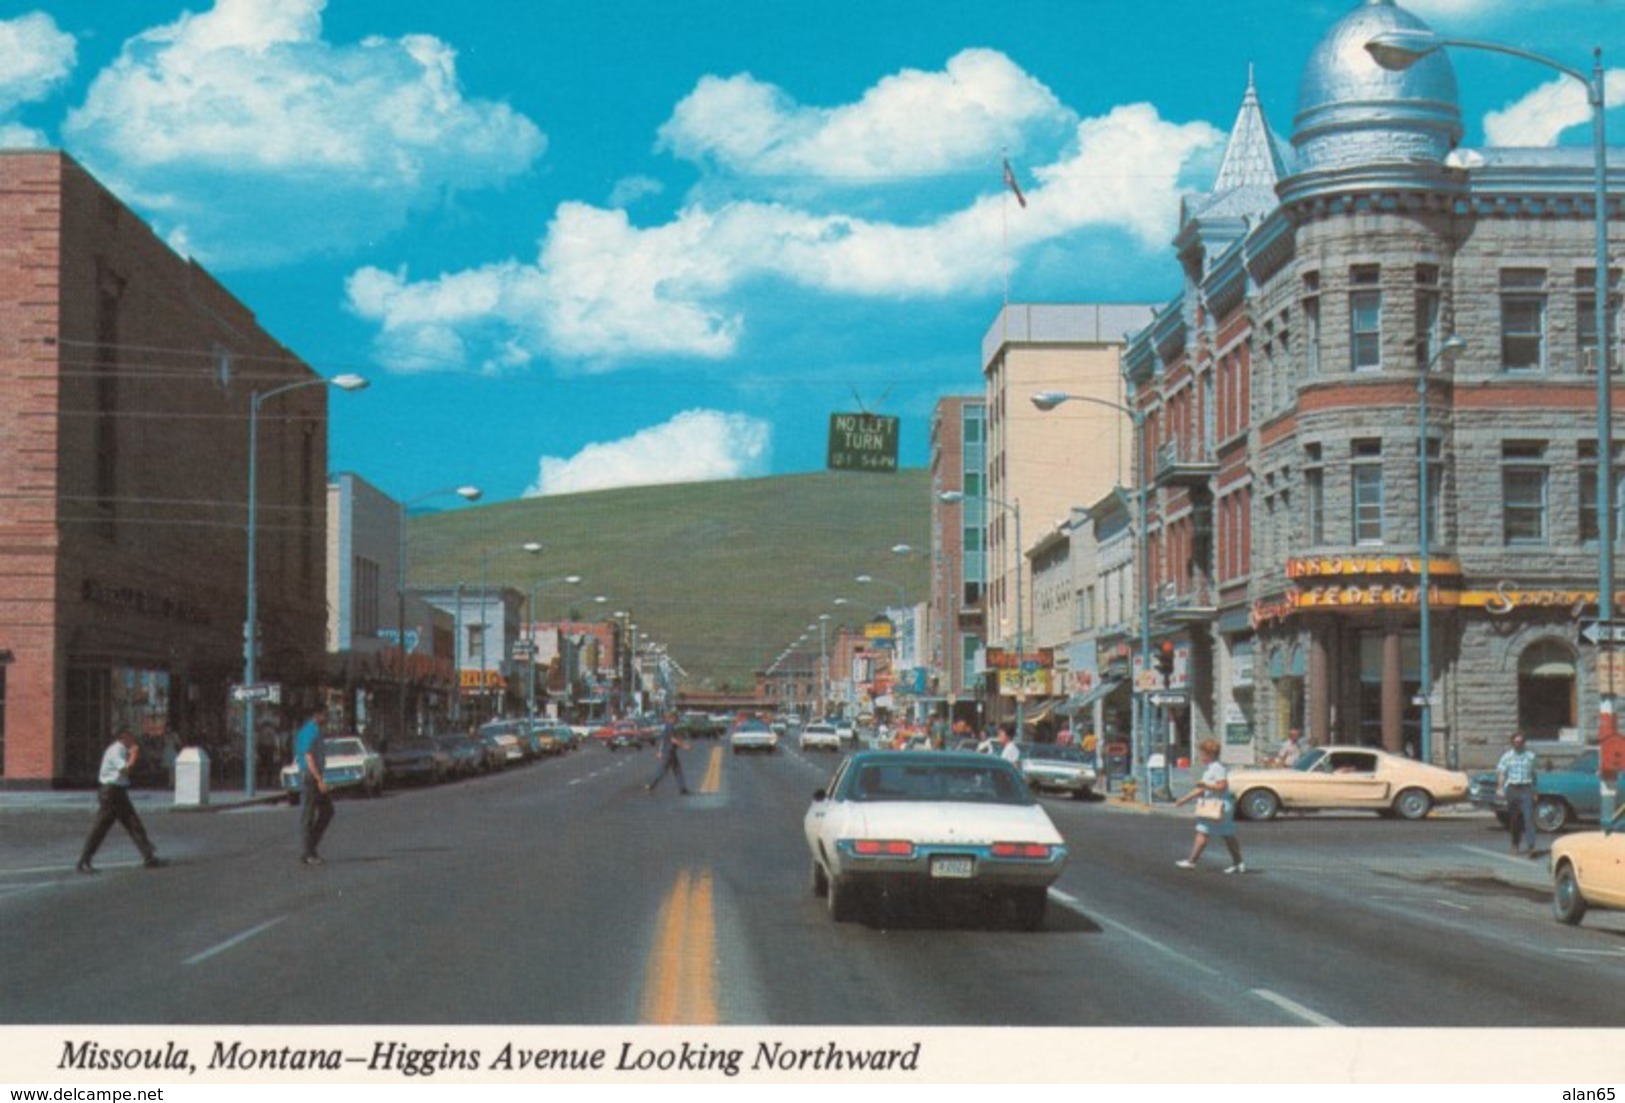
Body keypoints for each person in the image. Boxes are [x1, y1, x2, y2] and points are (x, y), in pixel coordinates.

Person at [77, 728, 165, 874]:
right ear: (124, 737)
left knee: (134, 823)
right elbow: (125, 770)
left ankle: (149, 857)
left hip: (119, 791)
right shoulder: (115, 750)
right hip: (110, 793)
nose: (134, 740)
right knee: (100, 828)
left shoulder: (121, 750)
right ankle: (84, 860)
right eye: (131, 737)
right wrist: (134, 754)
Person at [1172, 739, 1245, 874]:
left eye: (1203, 754)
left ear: (1210, 754)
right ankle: (1238, 862)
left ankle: (1191, 861)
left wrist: (1206, 786)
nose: (1201, 757)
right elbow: (1201, 789)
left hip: (1216, 805)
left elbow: (1222, 786)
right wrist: (1184, 799)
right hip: (1219, 805)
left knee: (1203, 831)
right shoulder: (1212, 768)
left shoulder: (1217, 768)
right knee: (1227, 834)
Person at [295, 707, 335, 866]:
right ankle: (308, 852)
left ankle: (310, 848)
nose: (326, 717)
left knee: (327, 811)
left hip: (315, 776)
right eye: (325, 714)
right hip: (310, 777)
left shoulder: (317, 731)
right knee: (308, 815)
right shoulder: (309, 731)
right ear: (316, 715)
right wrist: (319, 779)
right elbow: (308, 756)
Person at [1496, 731, 1539, 857]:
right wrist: (1500, 788)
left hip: (1526, 788)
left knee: (1529, 817)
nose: (1518, 744)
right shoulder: (1507, 757)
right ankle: (1515, 844)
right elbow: (1501, 773)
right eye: (1516, 742)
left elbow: (1534, 774)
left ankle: (1531, 847)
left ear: (1524, 743)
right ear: (1512, 743)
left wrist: (1535, 790)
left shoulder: (1530, 756)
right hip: (1513, 789)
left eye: (1520, 742)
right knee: (1515, 819)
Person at [646, 711, 691, 795]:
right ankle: (650, 784)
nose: (677, 719)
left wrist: (660, 751)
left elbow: (663, 740)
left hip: (669, 752)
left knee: (676, 770)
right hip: (669, 752)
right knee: (663, 770)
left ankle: (682, 789)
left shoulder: (666, 727)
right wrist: (684, 746)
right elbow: (673, 740)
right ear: (671, 718)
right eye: (676, 718)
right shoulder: (670, 727)